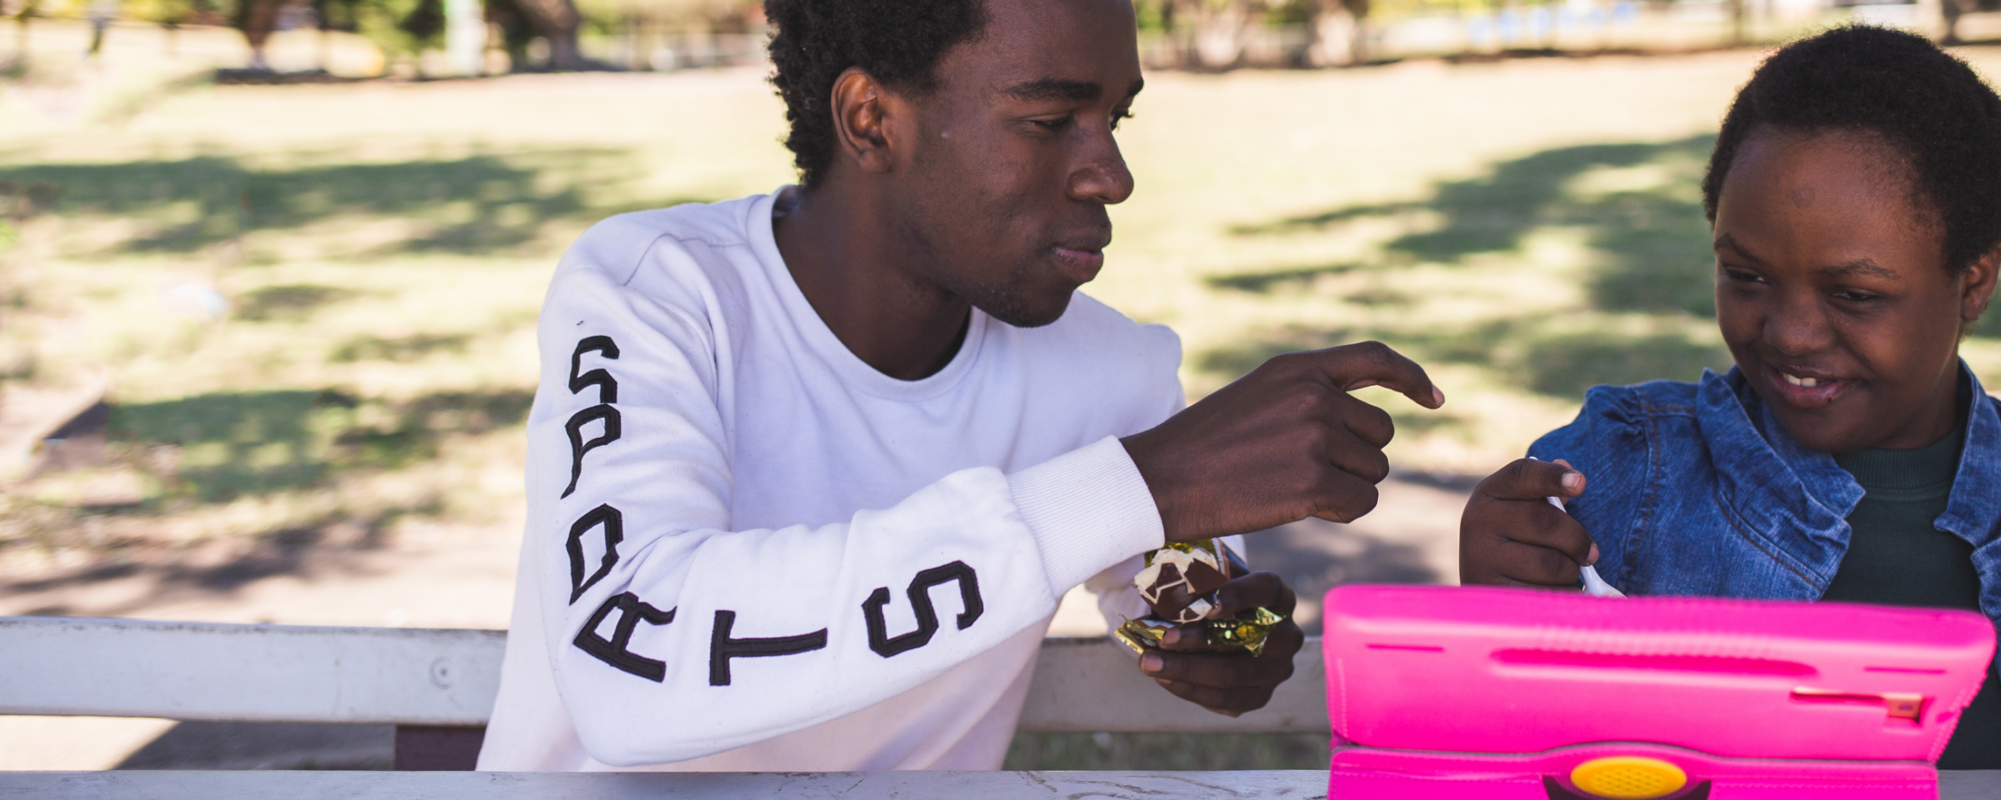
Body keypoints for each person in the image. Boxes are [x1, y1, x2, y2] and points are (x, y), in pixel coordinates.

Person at [476, 0, 1442, 771]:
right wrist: (1140, 483)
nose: (1111, 173)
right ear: (871, 121)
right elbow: (630, 670)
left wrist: (1231, 635)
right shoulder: (659, 290)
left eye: (1115, 118)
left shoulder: (1109, 370)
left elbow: (1193, 606)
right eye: (1050, 119)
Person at [1456, 26, 2001, 775]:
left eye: (1855, 293)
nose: (1791, 334)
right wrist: (1492, 625)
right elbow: (1514, 757)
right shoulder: (1615, 474)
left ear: (1974, 281)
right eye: (1748, 276)